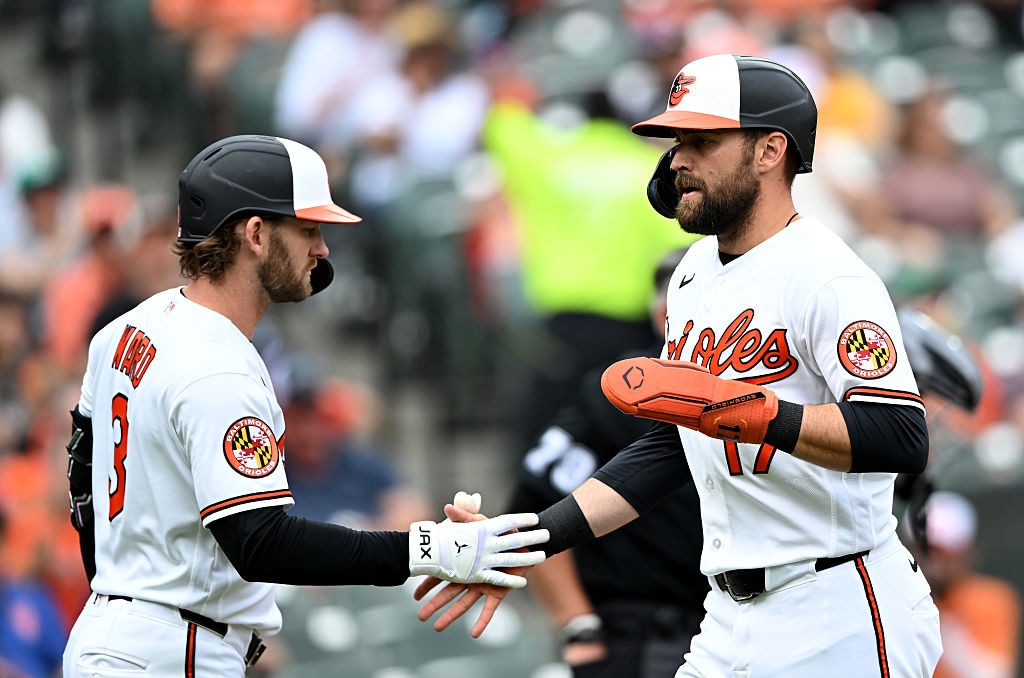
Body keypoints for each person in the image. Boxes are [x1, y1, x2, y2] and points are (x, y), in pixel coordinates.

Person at [417, 53, 943, 677]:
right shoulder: (692, 273)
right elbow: (673, 442)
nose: (678, 161)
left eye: (702, 140)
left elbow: (901, 437)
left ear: (770, 151)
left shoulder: (828, 276)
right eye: (676, 141)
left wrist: (750, 413)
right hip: (728, 615)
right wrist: (532, 538)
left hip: (836, 604)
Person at [60, 134, 549, 677]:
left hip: (120, 633)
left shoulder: (125, 329)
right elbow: (261, 540)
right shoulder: (218, 365)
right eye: (310, 230)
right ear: (256, 233)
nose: (323, 249)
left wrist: (121, 595)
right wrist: (434, 548)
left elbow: (82, 479)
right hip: (172, 648)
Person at [506, 245, 708, 678]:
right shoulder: (620, 393)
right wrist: (579, 627)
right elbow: (531, 511)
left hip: (760, 623)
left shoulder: (782, 389)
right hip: (650, 634)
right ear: (663, 318)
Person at [912, 491, 1021, 678]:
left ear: (968, 551)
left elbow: (997, 674)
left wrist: (941, 626)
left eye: (945, 552)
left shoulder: (991, 598)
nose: (935, 563)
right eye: (928, 551)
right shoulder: (898, 599)